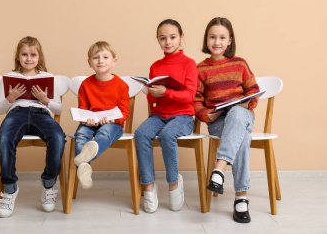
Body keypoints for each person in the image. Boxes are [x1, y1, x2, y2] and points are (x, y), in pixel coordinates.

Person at [195, 17, 260, 223]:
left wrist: (245, 104)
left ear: (230, 40)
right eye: (212, 37)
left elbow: (254, 91)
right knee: (242, 139)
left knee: (237, 114)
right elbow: (196, 102)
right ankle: (241, 198)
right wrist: (207, 115)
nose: (217, 42)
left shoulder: (239, 64)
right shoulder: (200, 69)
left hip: (243, 115)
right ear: (206, 40)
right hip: (219, 122)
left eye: (222, 37)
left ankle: (218, 169)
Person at [0, 36, 66, 218]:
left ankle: (48, 184)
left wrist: (45, 100)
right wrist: (10, 98)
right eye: (24, 54)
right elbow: (0, 109)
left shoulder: (48, 78)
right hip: (16, 113)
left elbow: (59, 108)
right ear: (18, 57)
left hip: (41, 114)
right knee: (4, 138)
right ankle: (10, 189)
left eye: (33, 54)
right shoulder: (9, 78)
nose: (29, 58)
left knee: (58, 137)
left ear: (39, 57)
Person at [134, 19, 198, 213]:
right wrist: (151, 94)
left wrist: (166, 93)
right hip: (160, 114)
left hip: (183, 117)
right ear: (158, 40)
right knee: (141, 134)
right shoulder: (155, 66)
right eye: (163, 38)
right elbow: (153, 99)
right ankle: (149, 186)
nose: (168, 42)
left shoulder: (189, 64)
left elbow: (189, 96)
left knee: (167, 135)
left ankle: (173, 183)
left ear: (181, 38)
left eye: (172, 37)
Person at [73, 41, 129, 189]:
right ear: (89, 62)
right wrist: (87, 119)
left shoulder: (121, 85)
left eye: (105, 57)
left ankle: (84, 160)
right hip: (90, 123)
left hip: (113, 124)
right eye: (96, 57)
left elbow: (124, 112)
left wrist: (112, 119)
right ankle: (84, 169)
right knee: (80, 136)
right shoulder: (86, 84)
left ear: (113, 61)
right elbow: (83, 108)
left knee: (104, 132)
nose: (100, 61)